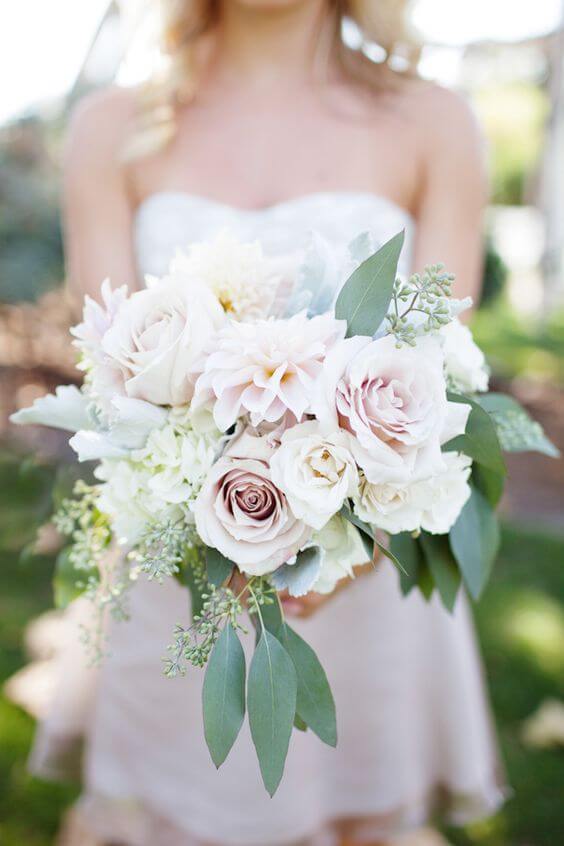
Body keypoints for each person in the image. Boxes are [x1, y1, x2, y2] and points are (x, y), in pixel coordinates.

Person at [33, 1, 507, 844]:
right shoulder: (111, 128)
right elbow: (106, 369)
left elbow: (441, 377)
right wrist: (224, 535)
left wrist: (338, 551)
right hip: (180, 576)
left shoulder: (435, 122)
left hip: (371, 568)